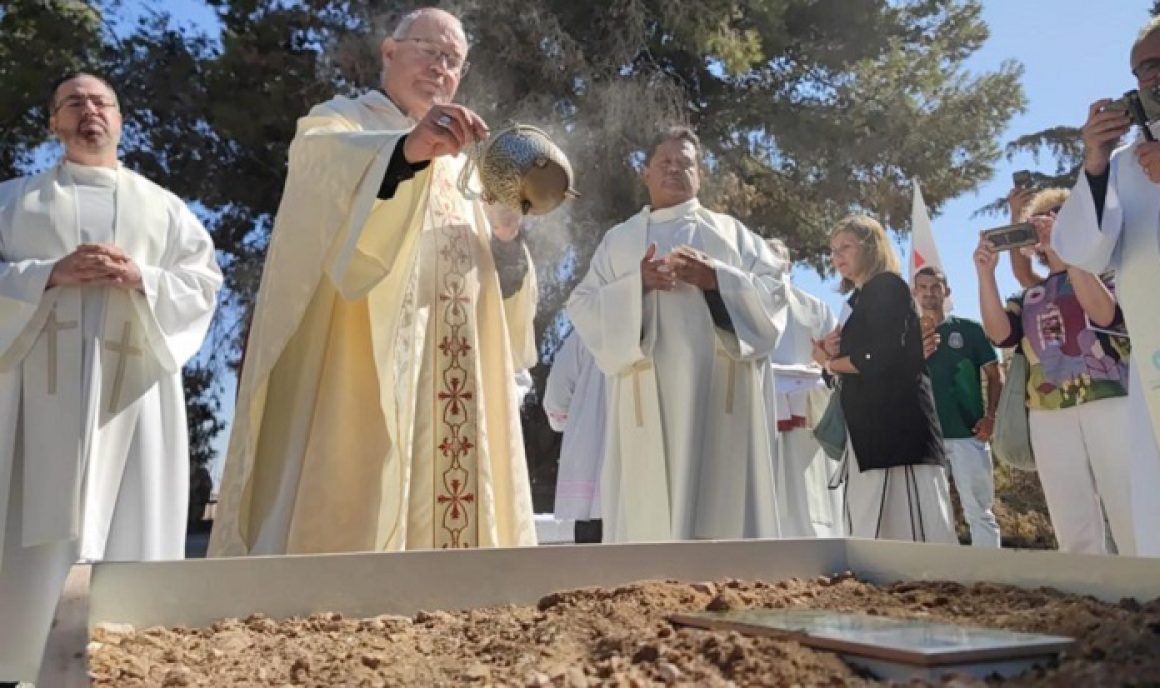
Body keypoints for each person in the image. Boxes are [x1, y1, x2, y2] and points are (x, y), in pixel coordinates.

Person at [209, 7, 538, 556]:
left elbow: (495, 285)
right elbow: (318, 178)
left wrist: (509, 238)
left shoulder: (469, 168)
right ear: (389, 52)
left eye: (453, 61)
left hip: (452, 366)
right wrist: (406, 151)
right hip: (361, 356)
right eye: (428, 50)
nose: (440, 67)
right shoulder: (341, 122)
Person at [0, 73, 221, 684]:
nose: (89, 111)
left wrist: (143, 277)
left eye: (102, 102)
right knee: (31, 537)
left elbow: (203, 284)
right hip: (36, 400)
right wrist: (45, 275)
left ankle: (134, 666)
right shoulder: (12, 201)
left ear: (120, 120)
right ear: (53, 123)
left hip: (133, 396)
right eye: (73, 103)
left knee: (131, 531)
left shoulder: (164, 208)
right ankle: (21, 663)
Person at [567, 126, 787, 543]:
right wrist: (637, 285)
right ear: (646, 173)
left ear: (699, 176)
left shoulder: (731, 234)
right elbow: (583, 304)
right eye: (664, 162)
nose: (674, 169)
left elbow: (775, 295)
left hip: (714, 398)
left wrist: (718, 280)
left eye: (685, 163)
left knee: (713, 498)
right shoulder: (620, 241)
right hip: (644, 400)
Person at [1051, 16, 1160, 557]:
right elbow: (1084, 251)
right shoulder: (1125, 167)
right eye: (1142, 70)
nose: (1151, 79)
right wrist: (1093, 163)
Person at [976, 188, 1134, 556]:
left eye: (1062, 214)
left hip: (1110, 397)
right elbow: (1001, 334)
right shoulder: (1030, 295)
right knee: (1070, 513)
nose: (1051, 221)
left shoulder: (1108, 274)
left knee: (1128, 498)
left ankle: (1148, 582)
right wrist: (985, 274)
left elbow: (1104, 315)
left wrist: (1071, 253)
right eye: (1044, 218)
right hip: (1047, 411)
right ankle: (1090, 594)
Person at [811, 215, 956, 544]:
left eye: (846, 246)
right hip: (870, 435)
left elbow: (880, 355)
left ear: (871, 246)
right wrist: (831, 355)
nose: (838, 257)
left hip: (897, 433)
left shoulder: (887, 286)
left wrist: (830, 363)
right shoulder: (855, 301)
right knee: (873, 525)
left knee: (911, 533)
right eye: (833, 251)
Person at [914, 266, 1002, 548]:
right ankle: (939, 577)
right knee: (930, 514)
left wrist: (991, 417)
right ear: (914, 293)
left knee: (979, 511)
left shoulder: (969, 330)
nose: (929, 293)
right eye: (923, 288)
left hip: (968, 433)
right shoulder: (905, 338)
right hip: (926, 438)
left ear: (946, 291)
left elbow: (994, 375)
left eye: (935, 287)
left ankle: (992, 577)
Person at [763, 238, 843, 538]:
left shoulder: (814, 307)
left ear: (789, 265)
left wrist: (819, 367)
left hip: (806, 411)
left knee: (807, 485)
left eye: (776, 258)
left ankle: (814, 538)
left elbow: (832, 355)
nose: (770, 264)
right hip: (762, 409)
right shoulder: (746, 306)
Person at [543, 329, 606, 543]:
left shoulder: (587, 331)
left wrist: (575, 424)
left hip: (593, 476)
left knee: (595, 571)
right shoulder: (661, 321)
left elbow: (556, 398)